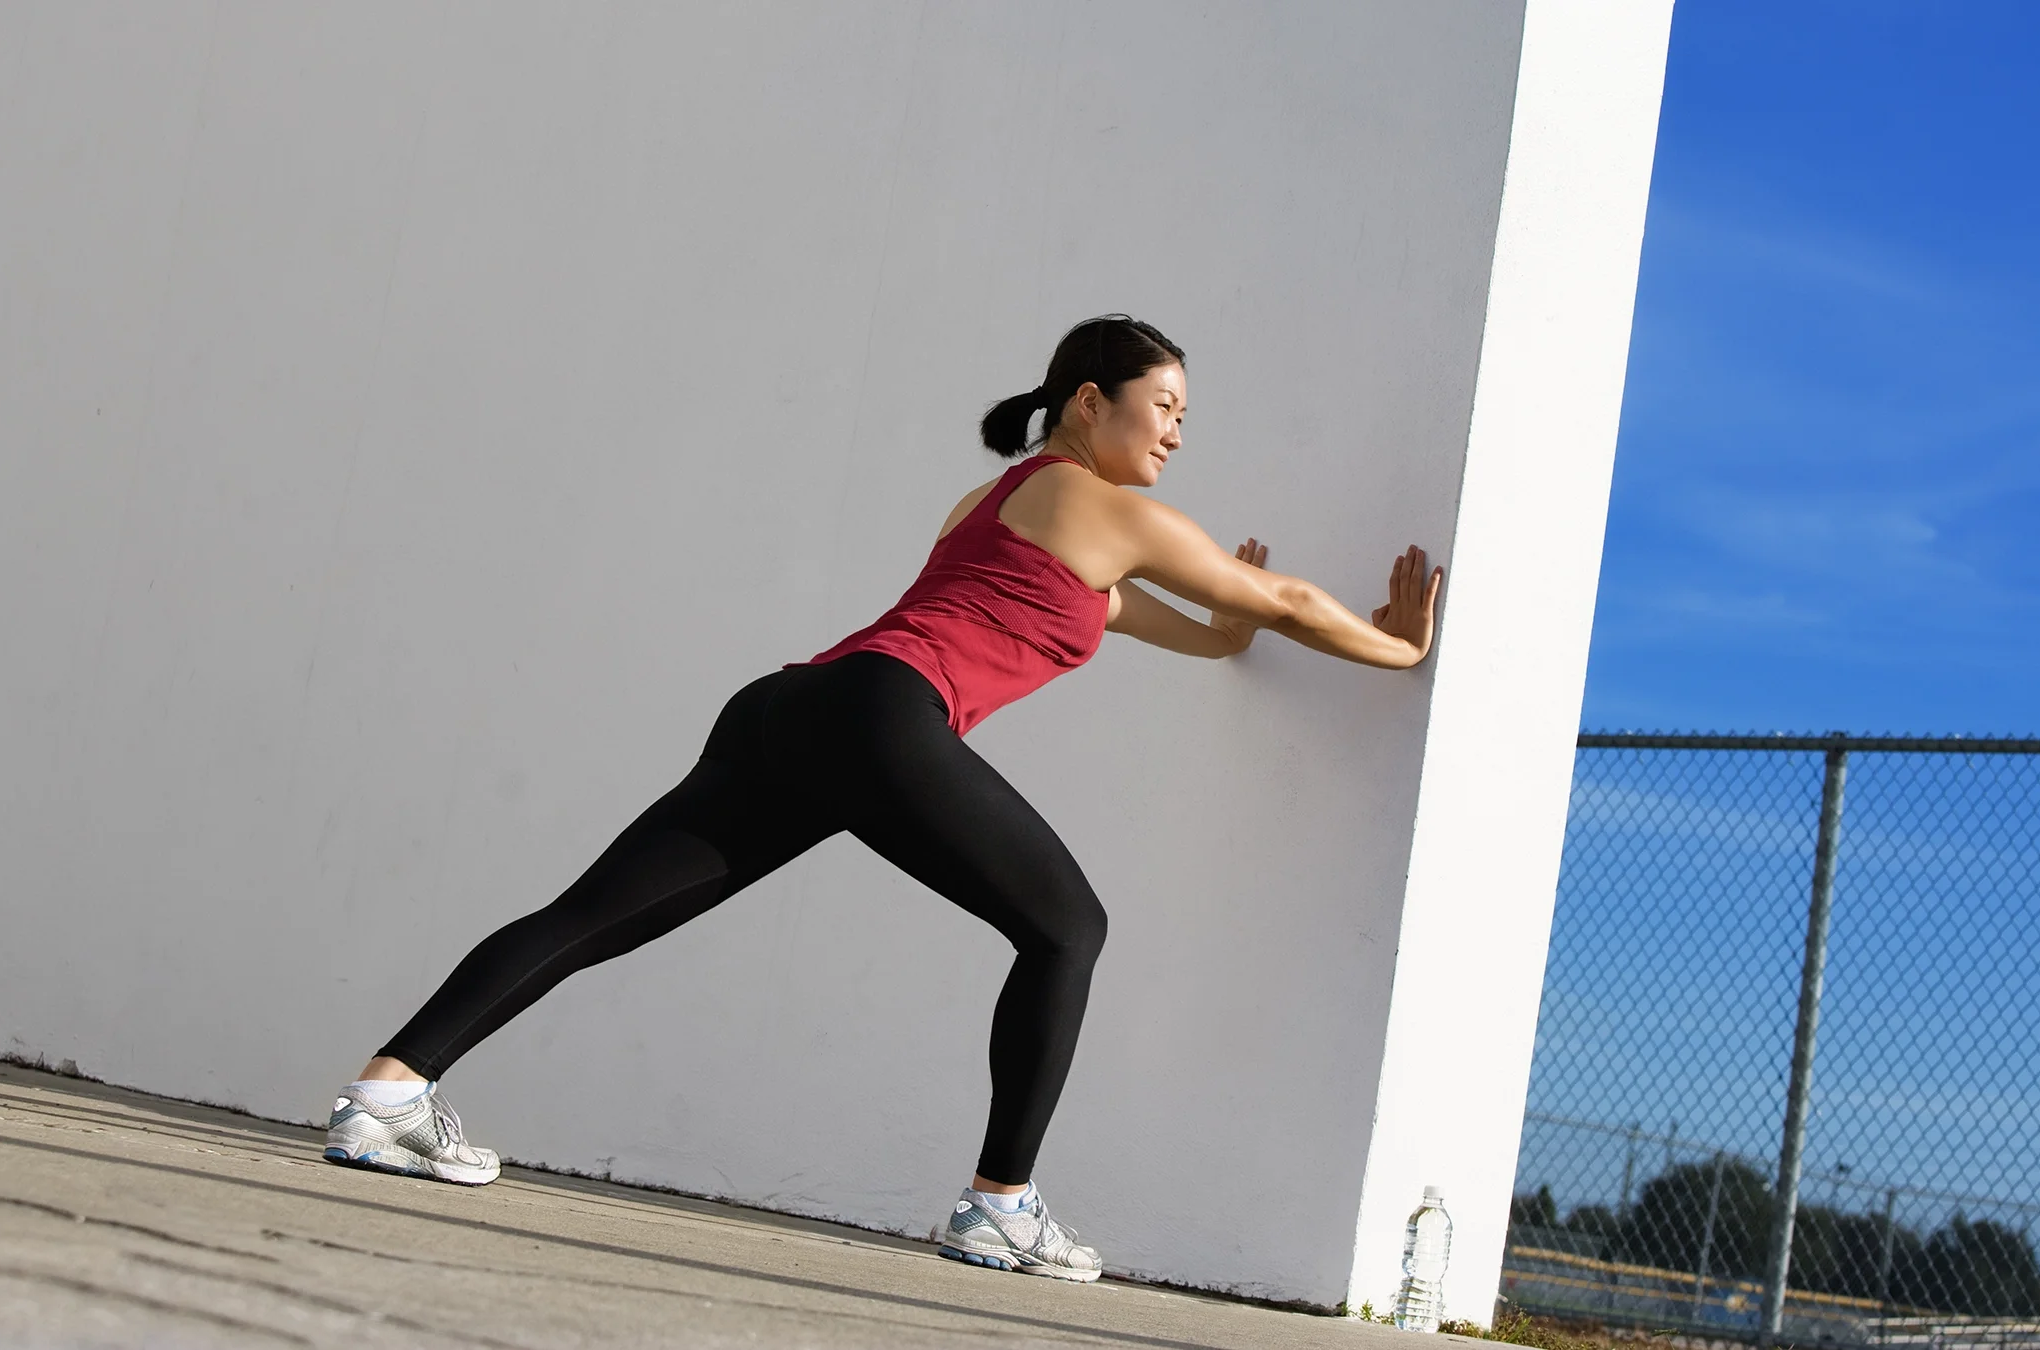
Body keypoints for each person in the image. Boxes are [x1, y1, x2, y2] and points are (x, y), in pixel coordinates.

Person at [322, 314, 1442, 1282]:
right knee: (1069, 927)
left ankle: (387, 1096)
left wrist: (1236, 619)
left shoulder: (995, 502)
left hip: (790, 708)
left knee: (596, 913)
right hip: (881, 716)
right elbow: (1289, 598)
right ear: (1090, 403)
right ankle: (1002, 1208)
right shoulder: (1109, 509)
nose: (1178, 431)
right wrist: (1395, 650)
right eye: (1166, 406)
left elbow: (1201, 627)